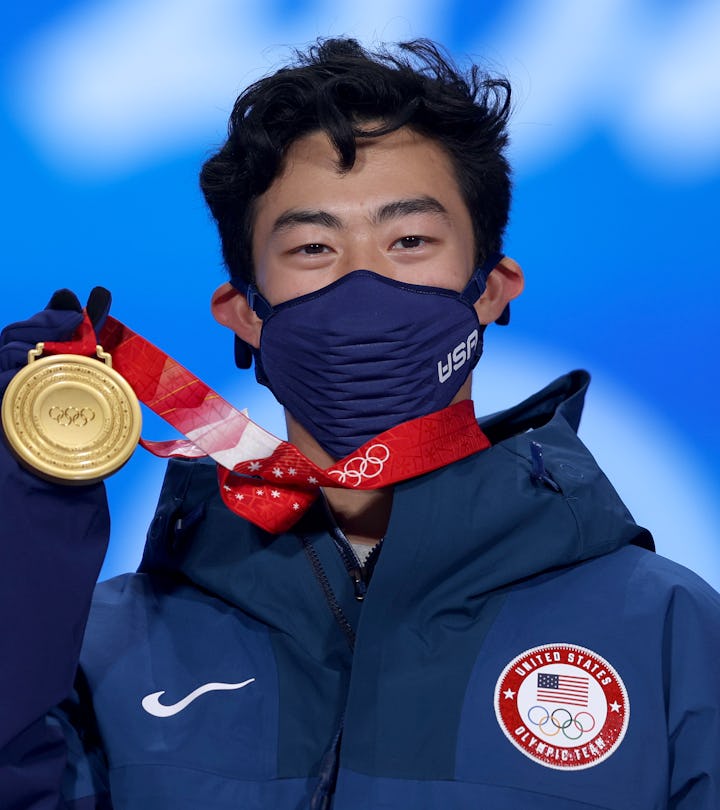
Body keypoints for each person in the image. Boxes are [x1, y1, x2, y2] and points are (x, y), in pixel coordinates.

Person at [1, 38, 718, 810]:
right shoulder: (104, 648)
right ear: (244, 316)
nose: (361, 283)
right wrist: (19, 519)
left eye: (409, 241)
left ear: (491, 291)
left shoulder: (672, 637)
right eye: (313, 246)